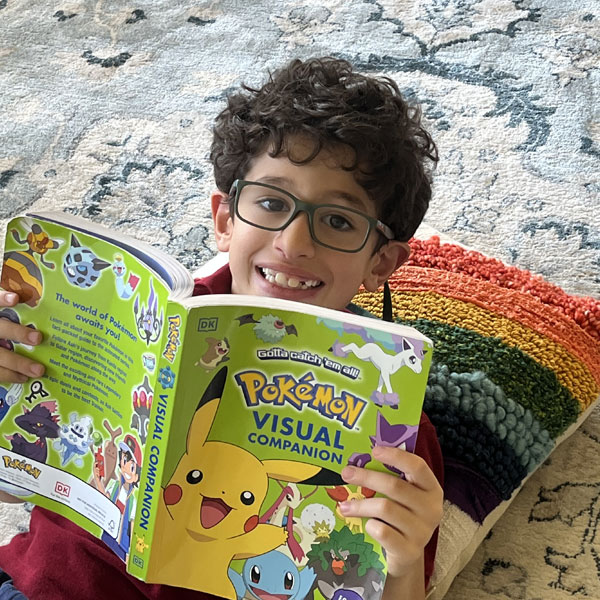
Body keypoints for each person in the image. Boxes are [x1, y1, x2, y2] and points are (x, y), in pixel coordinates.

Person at [0, 57, 443, 600]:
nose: (294, 242)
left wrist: (401, 562)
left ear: (381, 263)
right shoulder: (153, 326)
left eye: (337, 220)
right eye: (272, 203)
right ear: (225, 219)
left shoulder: (392, 418)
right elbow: (18, 481)